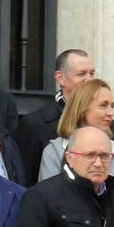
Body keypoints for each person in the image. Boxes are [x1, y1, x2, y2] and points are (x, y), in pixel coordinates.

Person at [35, 78, 114, 216]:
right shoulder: (55, 151)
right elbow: (47, 203)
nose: (111, 112)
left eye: (111, 106)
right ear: (82, 108)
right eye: (103, 105)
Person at [11, 50, 102, 186]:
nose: (89, 80)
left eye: (92, 73)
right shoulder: (34, 124)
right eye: (81, 74)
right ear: (60, 78)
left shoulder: (107, 124)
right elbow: (24, 182)